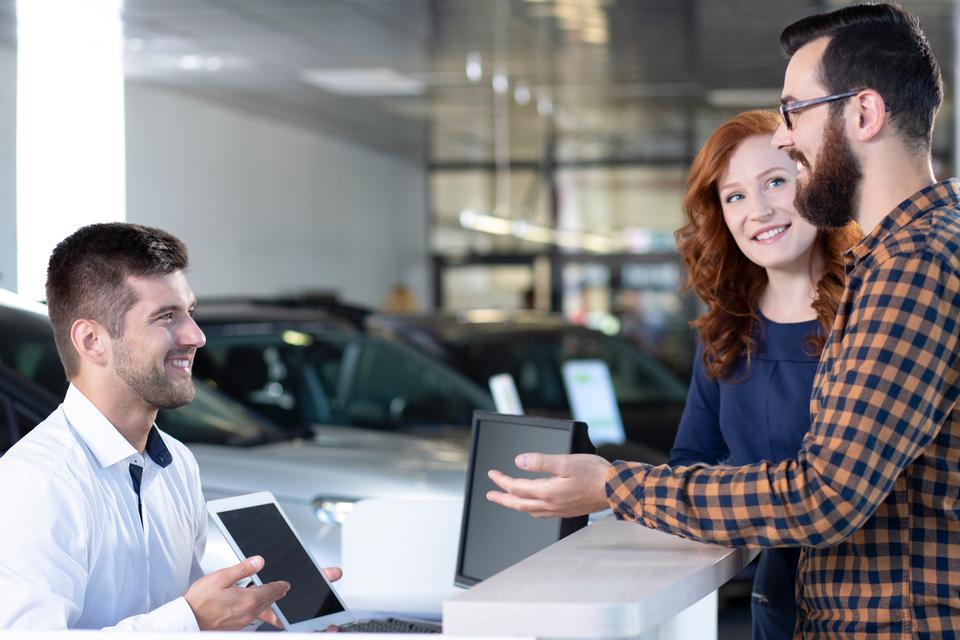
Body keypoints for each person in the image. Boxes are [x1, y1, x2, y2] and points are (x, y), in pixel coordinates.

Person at [487, 4, 960, 637]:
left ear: (864, 114)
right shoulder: (909, 253)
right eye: (735, 194)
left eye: (794, 111)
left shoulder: (912, 266)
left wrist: (614, 486)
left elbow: (824, 495)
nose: (786, 137)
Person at [0, 223, 335, 630]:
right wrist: (191, 617)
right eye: (166, 317)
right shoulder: (36, 482)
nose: (196, 336)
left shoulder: (178, 463)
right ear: (91, 341)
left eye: (189, 312)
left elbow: (183, 616)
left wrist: (247, 612)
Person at [668, 109, 857, 639]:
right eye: (735, 196)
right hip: (775, 606)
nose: (759, 210)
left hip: (868, 610)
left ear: (815, 184)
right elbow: (688, 462)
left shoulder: (869, 315)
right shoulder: (726, 331)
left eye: (775, 182)